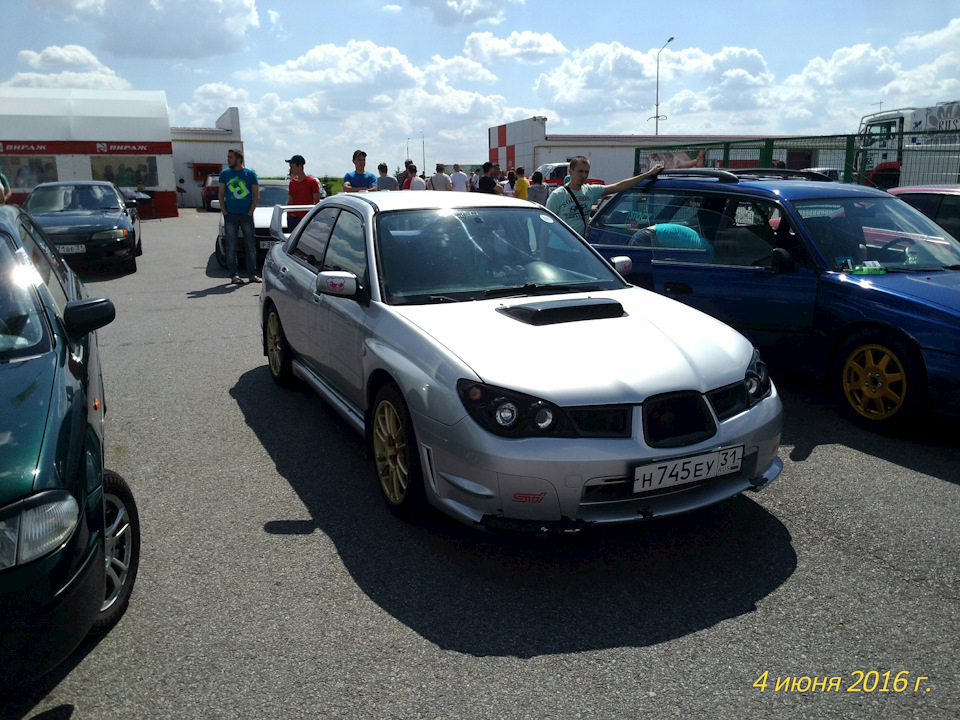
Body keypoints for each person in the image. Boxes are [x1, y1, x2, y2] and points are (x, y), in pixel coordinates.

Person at [546, 155, 663, 238]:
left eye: (586, 172)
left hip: (580, 247)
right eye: (580, 171)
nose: (583, 175)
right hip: (558, 248)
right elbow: (545, 227)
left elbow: (619, 186)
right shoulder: (558, 195)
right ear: (570, 171)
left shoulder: (590, 191)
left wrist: (648, 174)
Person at [218, 147, 261, 284]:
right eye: (228, 157)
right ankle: (234, 275)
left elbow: (256, 195)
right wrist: (224, 211)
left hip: (246, 216)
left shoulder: (250, 174)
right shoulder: (225, 174)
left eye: (230, 157)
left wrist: (250, 212)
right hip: (230, 215)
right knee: (231, 247)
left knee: (250, 246)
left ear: (238, 159)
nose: (228, 160)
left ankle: (252, 274)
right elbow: (221, 194)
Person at [285, 154, 322, 230]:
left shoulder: (312, 182)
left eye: (292, 167)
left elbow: (317, 201)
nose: (291, 169)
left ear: (299, 167)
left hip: (307, 218)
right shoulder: (292, 182)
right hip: (293, 218)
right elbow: (291, 199)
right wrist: (288, 215)